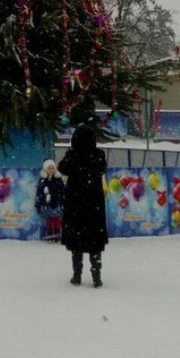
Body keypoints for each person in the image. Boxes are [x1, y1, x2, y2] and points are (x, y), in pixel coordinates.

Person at [58, 121, 108, 287]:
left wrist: (73, 155)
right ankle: (96, 276)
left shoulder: (72, 156)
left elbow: (62, 168)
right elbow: (102, 169)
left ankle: (77, 274)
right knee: (95, 241)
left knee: (76, 241)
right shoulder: (98, 155)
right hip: (94, 203)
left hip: (75, 203)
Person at [35, 159, 65, 242]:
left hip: (57, 203)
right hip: (46, 204)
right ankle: (49, 235)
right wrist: (38, 203)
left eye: (52, 168)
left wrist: (63, 202)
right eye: (49, 168)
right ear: (45, 169)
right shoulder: (42, 180)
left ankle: (56, 235)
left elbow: (62, 192)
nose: (51, 170)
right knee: (48, 220)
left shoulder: (58, 180)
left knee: (56, 220)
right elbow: (39, 193)